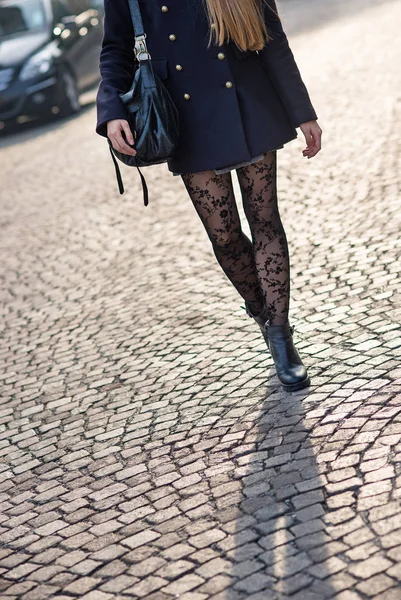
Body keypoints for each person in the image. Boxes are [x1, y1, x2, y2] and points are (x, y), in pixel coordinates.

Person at [95, 0, 322, 392]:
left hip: (249, 100)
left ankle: (282, 337)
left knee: (265, 221)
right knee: (225, 236)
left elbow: (270, 36)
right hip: (187, 115)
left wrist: (303, 112)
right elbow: (116, 48)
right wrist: (112, 108)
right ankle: (263, 315)